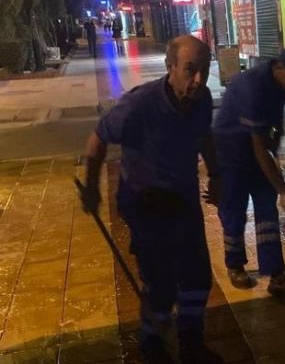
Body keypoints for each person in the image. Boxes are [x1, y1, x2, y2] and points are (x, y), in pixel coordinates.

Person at [79, 35, 223, 364]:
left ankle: (190, 342)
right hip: (147, 203)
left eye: (204, 69)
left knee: (197, 276)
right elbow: (98, 138)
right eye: (190, 69)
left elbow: (204, 135)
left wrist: (216, 175)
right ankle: (152, 344)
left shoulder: (200, 100)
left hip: (183, 198)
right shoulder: (140, 104)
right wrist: (91, 186)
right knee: (160, 283)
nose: (198, 79)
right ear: (170, 67)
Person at [212, 44, 285, 295]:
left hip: (255, 149)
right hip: (231, 154)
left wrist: (276, 144)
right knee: (234, 210)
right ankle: (235, 265)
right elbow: (259, 148)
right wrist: (284, 189)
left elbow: (271, 131)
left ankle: (276, 273)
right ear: (282, 68)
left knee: (266, 209)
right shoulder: (254, 87)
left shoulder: (280, 84)